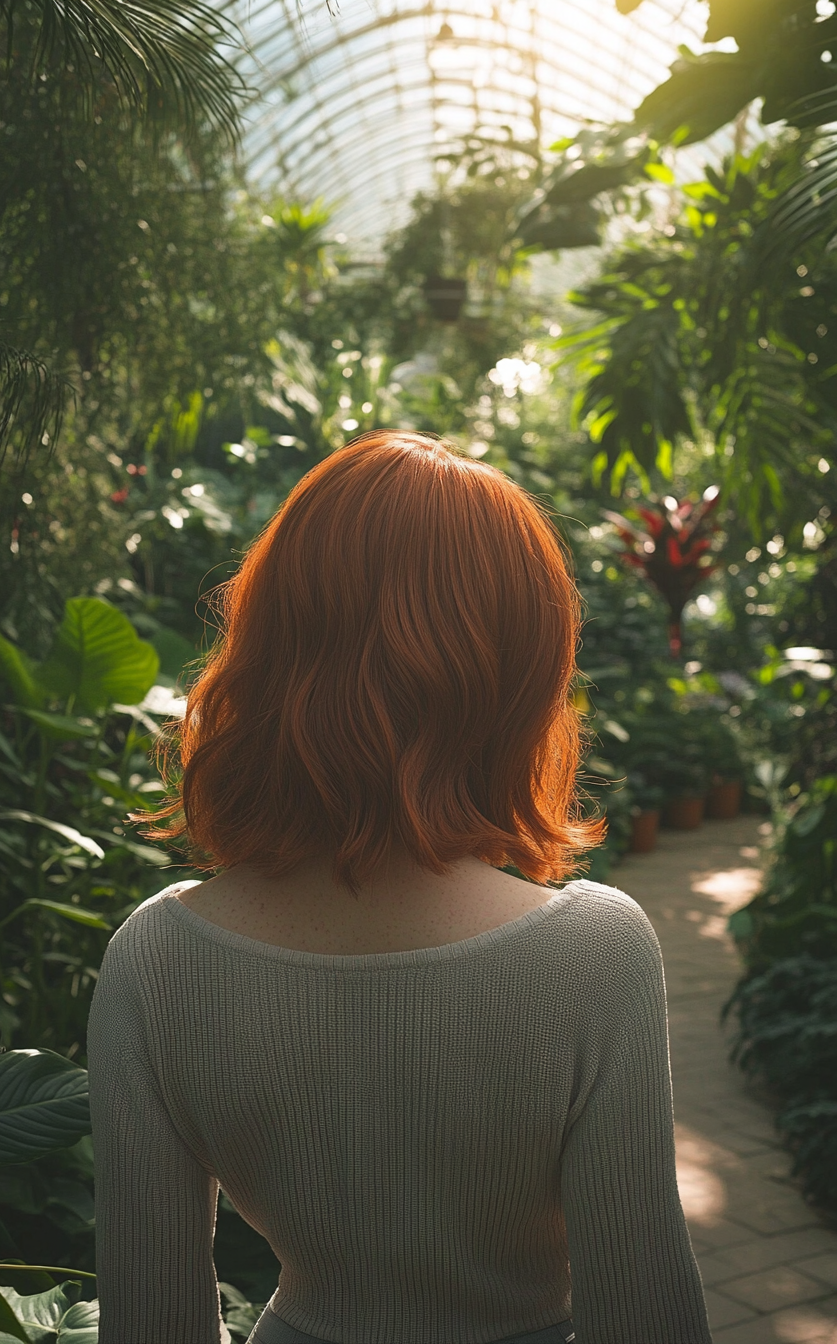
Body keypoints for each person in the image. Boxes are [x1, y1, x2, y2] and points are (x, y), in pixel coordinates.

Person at [86, 430, 713, 1344]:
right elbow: (645, 1315)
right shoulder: (595, 953)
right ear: (516, 672)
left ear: (270, 642)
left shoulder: (156, 960)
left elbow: (148, 1324)